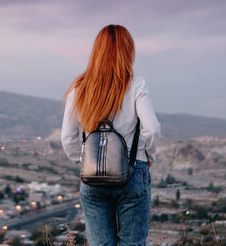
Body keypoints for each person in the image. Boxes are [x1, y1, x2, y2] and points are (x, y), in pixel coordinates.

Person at [61, 24, 161, 246]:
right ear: (128, 51)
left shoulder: (80, 88)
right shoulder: (136, 85)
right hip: (133, 171)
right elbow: (152, 129)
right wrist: (149, 157)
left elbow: (68, 137)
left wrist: (84, 160)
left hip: (92, 177)